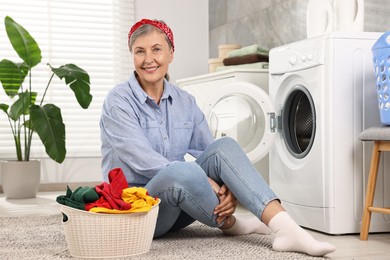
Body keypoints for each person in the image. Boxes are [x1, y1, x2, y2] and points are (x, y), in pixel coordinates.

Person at [99, 18, 336, 257]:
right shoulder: (118, 101)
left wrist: (229, 186)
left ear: (171, 53)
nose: (148, 59)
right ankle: (234, 225)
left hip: (178, 207)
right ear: (132, 56)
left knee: (225, 146)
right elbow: (143, 159)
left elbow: (211, 153)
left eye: (157, 49)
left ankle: (285, 228)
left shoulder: (185, 101)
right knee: (184, 171)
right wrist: (203, 178)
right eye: (140, 51)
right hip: (137, 212)